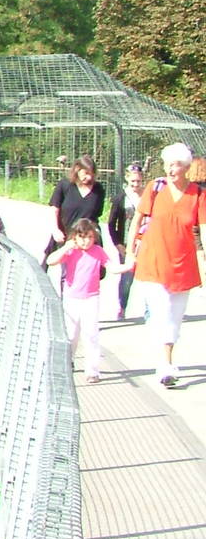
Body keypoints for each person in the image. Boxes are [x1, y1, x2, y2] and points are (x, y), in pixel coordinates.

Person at [130, 142, 206, 388]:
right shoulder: (155, 187)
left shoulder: (198, 194)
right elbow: (138, 219)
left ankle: (167, 358)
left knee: (174, 316)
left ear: (185, 167)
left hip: (182, 263)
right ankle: (165, 364)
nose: (170, 170)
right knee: (161, 312)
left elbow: (203, 229)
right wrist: (130, 250)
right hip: (154, 259)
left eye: (175, 165)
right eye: (167, 165)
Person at [47, 218, 132, 383]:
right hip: (72, 298)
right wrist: (66, 247)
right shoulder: (71, 251)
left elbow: (112, 268)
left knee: (91, 334)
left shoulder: (98, 251)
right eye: (82, 237)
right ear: (75, 237)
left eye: (89, 237)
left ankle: (92, 370)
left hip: (91, 297)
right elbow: (51, 261)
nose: (86, 241)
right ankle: (68, 360)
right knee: (71, 334)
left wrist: (127, 266)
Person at [43, 155, 105, 272]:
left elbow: (97, 215)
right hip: (65, 233)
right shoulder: (65, 185)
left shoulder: (98, 189)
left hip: (85, 237)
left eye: (91, 173)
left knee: (83, 270)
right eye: (86, 173)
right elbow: (54, 208)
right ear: (77, 170)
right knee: (60, 269)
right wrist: (55, 229)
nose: (89, 177)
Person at [107, 161, 145, 319]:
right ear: (127, 179)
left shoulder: (148, 196)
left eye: (138, 181)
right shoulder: (120, 198)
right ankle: (122, 306)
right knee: (127, 277)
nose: (136, 184)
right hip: (126, 243)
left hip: (145, 242)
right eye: (133, 181)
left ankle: (150, 309)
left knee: (148, 277)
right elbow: (111, 224)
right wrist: (118, 244)